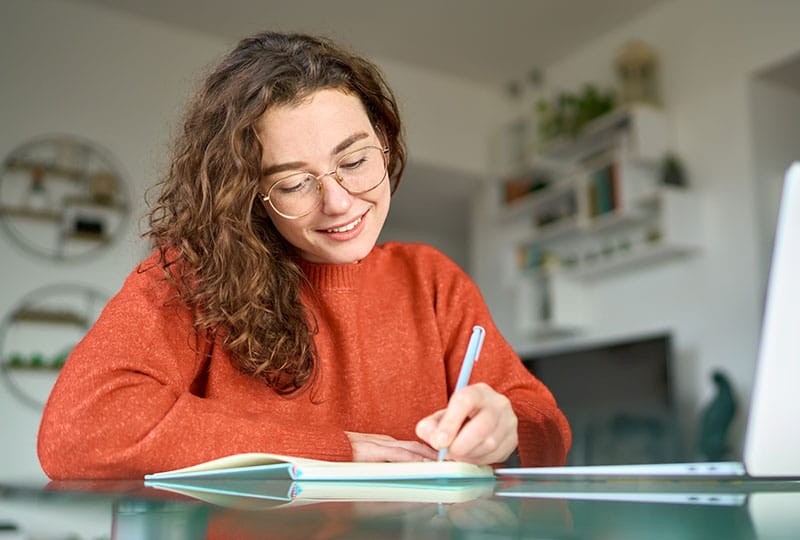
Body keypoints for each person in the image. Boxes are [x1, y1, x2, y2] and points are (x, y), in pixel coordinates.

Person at [37, 31, 571, 479]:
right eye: (293, 183)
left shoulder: (431, 280)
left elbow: (545, 423)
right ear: (247, 191)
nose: (339, 202)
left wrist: (507, 425)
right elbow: (80, 429)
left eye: (356, 159)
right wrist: (338, 451)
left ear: (384, 138)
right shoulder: (191, 276)